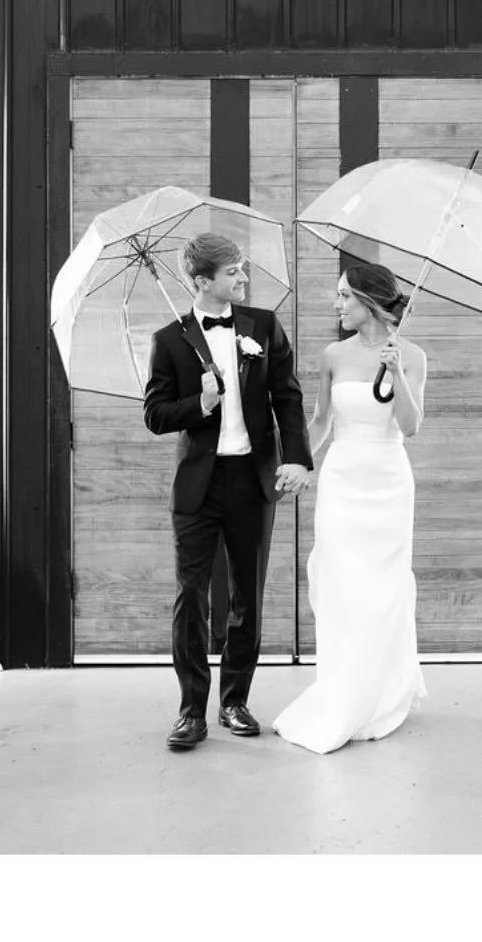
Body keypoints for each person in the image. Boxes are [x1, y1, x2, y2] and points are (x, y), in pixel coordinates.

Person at [143, 233, 313, 750]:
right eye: (234, 273)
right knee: (191, 597)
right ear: (202, 282)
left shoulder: (263, 326)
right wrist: (202, 402)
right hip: (199, 484)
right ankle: (191, 710)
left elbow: (287, 396)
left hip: (253, 480)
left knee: (247, 597)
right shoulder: (169, 339)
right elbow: (155, 415)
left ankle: (234, 701)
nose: (243, 279)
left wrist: (298, 460)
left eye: (243, 271)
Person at [272, 262, 427, 754]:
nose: (336, 304)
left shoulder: (413, 355)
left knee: (383, 588)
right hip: (342, 482)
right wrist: (298, 464)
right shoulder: (332, 355)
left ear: (368, 301)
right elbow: (319, 421)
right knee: (340, 586)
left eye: (343, 296)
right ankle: (342, 690)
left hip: (388, 482)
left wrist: (397, 370)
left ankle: (379, 695)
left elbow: (410, 425)